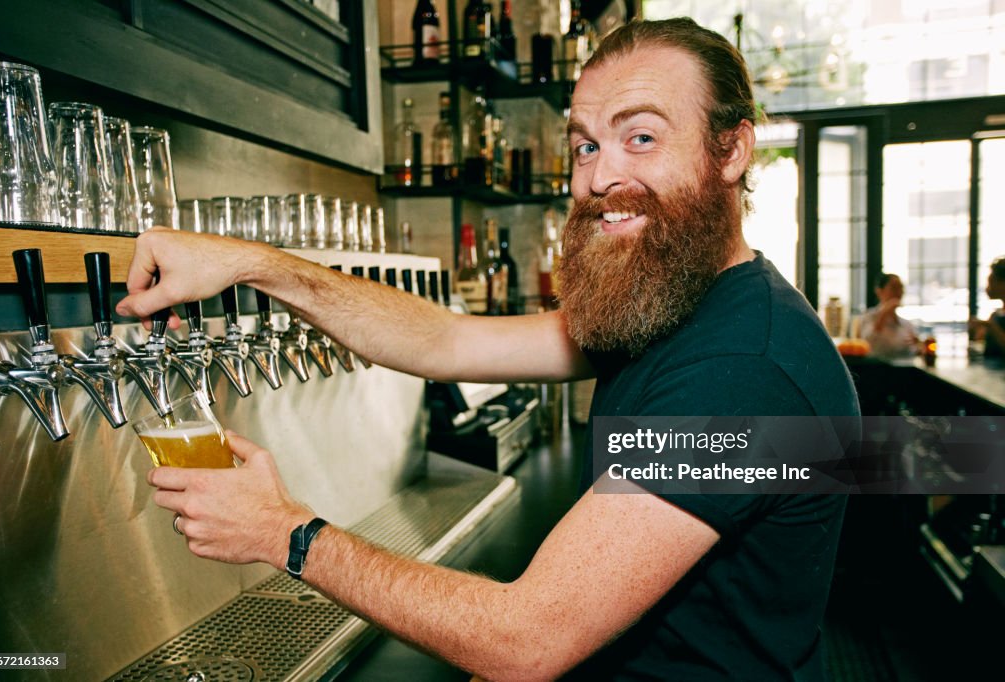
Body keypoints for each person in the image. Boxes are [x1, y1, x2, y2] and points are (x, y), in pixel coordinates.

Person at [117, 18, 859, 681]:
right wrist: (256, 265)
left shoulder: (742, 370)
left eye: (642, 137)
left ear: (730, 149)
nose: (600, 178)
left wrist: (285, 533)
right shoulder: (675, 303)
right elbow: (448, 340)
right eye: (586, 145)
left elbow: (524, 639)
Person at [858, 273, 921, 360]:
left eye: (901, 287)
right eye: (894, 288)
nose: (899, 292)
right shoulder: (868, 317)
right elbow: (868, 344)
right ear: (879, 291)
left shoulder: (906, 324)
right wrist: (884, 313)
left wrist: (918, 345)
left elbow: (914, 350)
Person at [970, 256, 1005, 361]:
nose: (987, 288)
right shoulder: (995, 315)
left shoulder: (994, 319)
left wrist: (991, 326)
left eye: (991, 282)